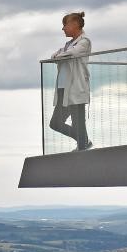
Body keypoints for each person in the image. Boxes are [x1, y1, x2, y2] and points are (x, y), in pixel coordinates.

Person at [49, 11, 92, 150]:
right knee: (55, 123)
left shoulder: (84, 42)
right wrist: (59, 54)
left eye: (65, 25)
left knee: (78, 122)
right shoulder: (69, 44)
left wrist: (59, 55)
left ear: (75, 24)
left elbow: (70, 54)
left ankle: (83, 145)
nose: (63, 28)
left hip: (75, 89)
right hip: (63, 89)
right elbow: (54, 55)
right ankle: (84, 141)